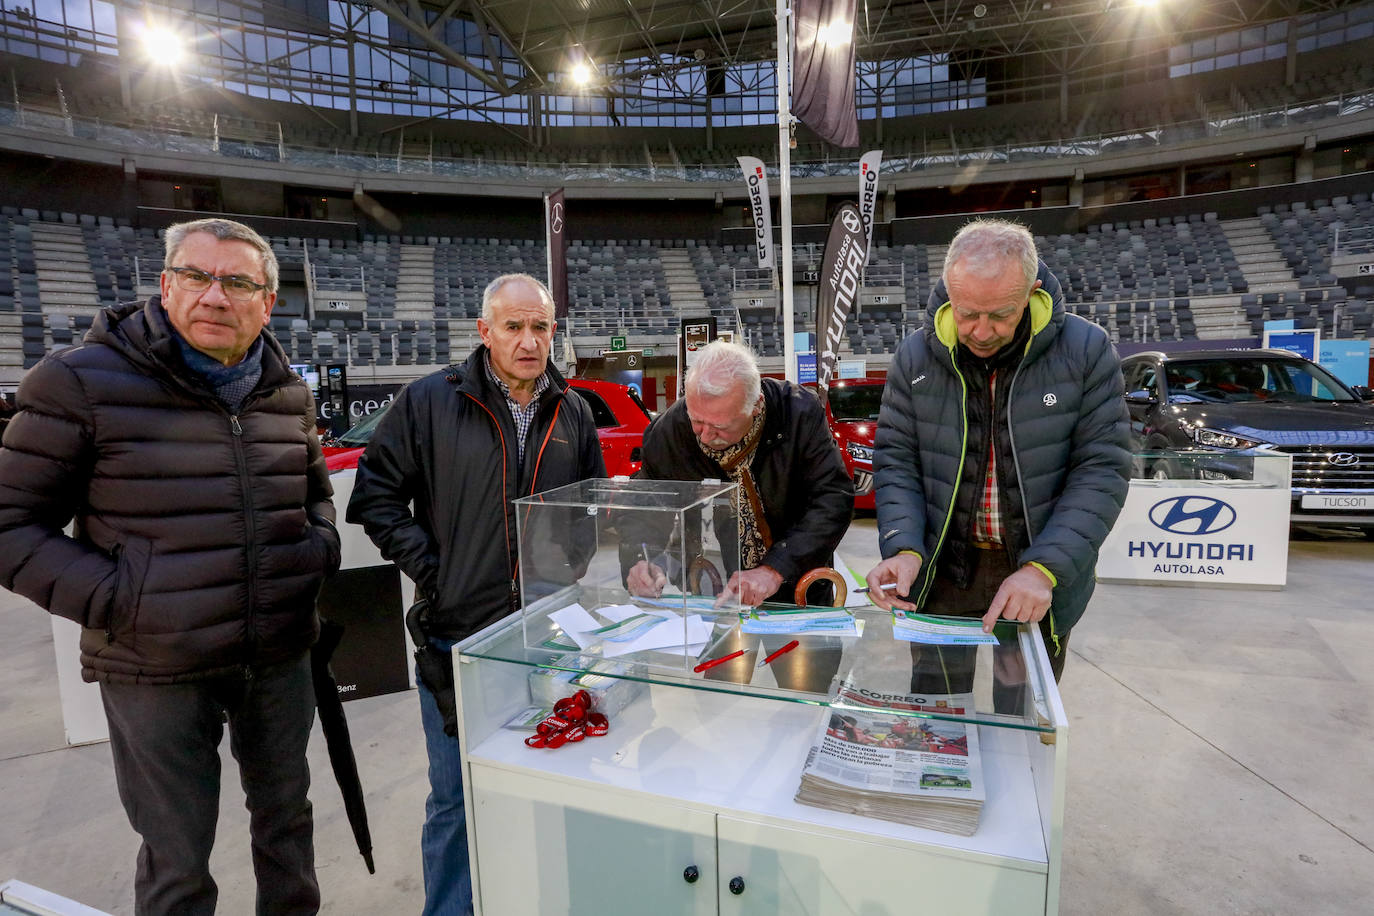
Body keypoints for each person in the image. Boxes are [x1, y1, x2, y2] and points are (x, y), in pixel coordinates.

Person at [0, 218, 340, 914]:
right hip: (156, 667)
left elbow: (316, 498)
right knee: (177, 860)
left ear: (266, 301)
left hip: (277, 656)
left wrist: (317, 554)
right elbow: (10, 527)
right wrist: (124, 601)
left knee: (289, 833)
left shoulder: (286, 390)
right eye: (196, 276)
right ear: (166, 285)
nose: (215, 296)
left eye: (238, 282)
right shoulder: (78, 382)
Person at [346, 273, 605, 916]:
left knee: (546, 782)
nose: (528, 340)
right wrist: (436, 573)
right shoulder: (432, 401)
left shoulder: (571, 410)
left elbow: (590, 505)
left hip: (546, 636)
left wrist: (568, 564)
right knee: (457, 798)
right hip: (458, 636)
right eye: (513, 327)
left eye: (540, 327)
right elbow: (375, 499)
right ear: (484, 332)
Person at [864, 218, 1130, 695]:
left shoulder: (1086, 351)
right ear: (948, 291)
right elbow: (896, 461)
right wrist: (903, 547)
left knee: (1023, 719)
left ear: (1029, 292)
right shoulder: (914, 357)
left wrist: (1045, 567)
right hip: (940, 572)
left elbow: (1102, 470)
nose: (981, 331)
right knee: (936, 715)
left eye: (1001, 315)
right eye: (967, 313)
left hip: (1034, 572)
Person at [624, 340, 853, 610]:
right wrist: (638, 560)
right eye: (696, 420)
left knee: (799, 653)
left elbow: (833, 499)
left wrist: (775, 569)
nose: (705, 436)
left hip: (796, 581)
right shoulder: (670, 431)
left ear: (755, 406)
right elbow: (645, 504)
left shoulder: (798, 413)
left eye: (720, 427)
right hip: (710, 588)